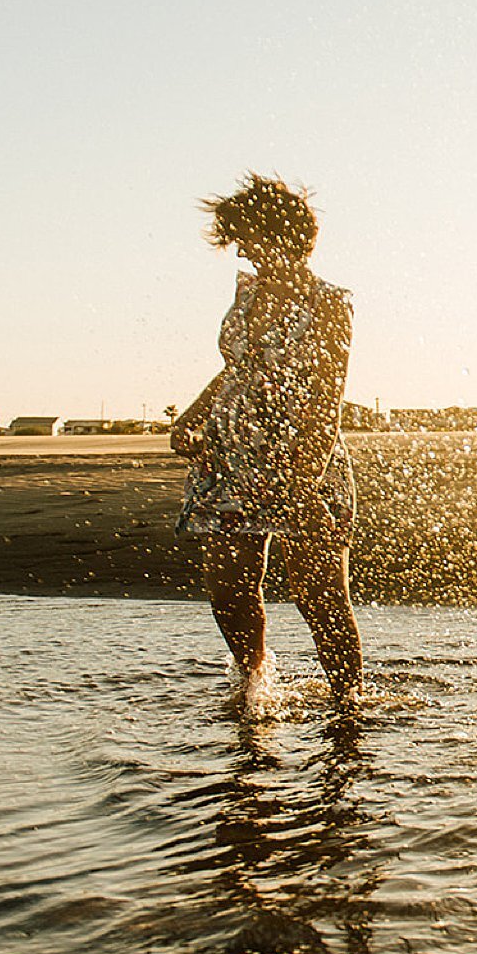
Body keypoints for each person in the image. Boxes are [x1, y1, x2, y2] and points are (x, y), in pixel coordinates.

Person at [172, 173, 362, 708]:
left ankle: (348, 702)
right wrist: (192, 415)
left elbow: (327, 396)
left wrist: (302, 480)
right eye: (242, 243)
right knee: (228, 589)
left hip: (301, 461)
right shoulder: (248, 296)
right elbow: (237, 369)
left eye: (254, 239)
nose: (248, 253)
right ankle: (253, 686)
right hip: (229, 464)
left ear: (289, 236)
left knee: (320, 596)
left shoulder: (328, 303)